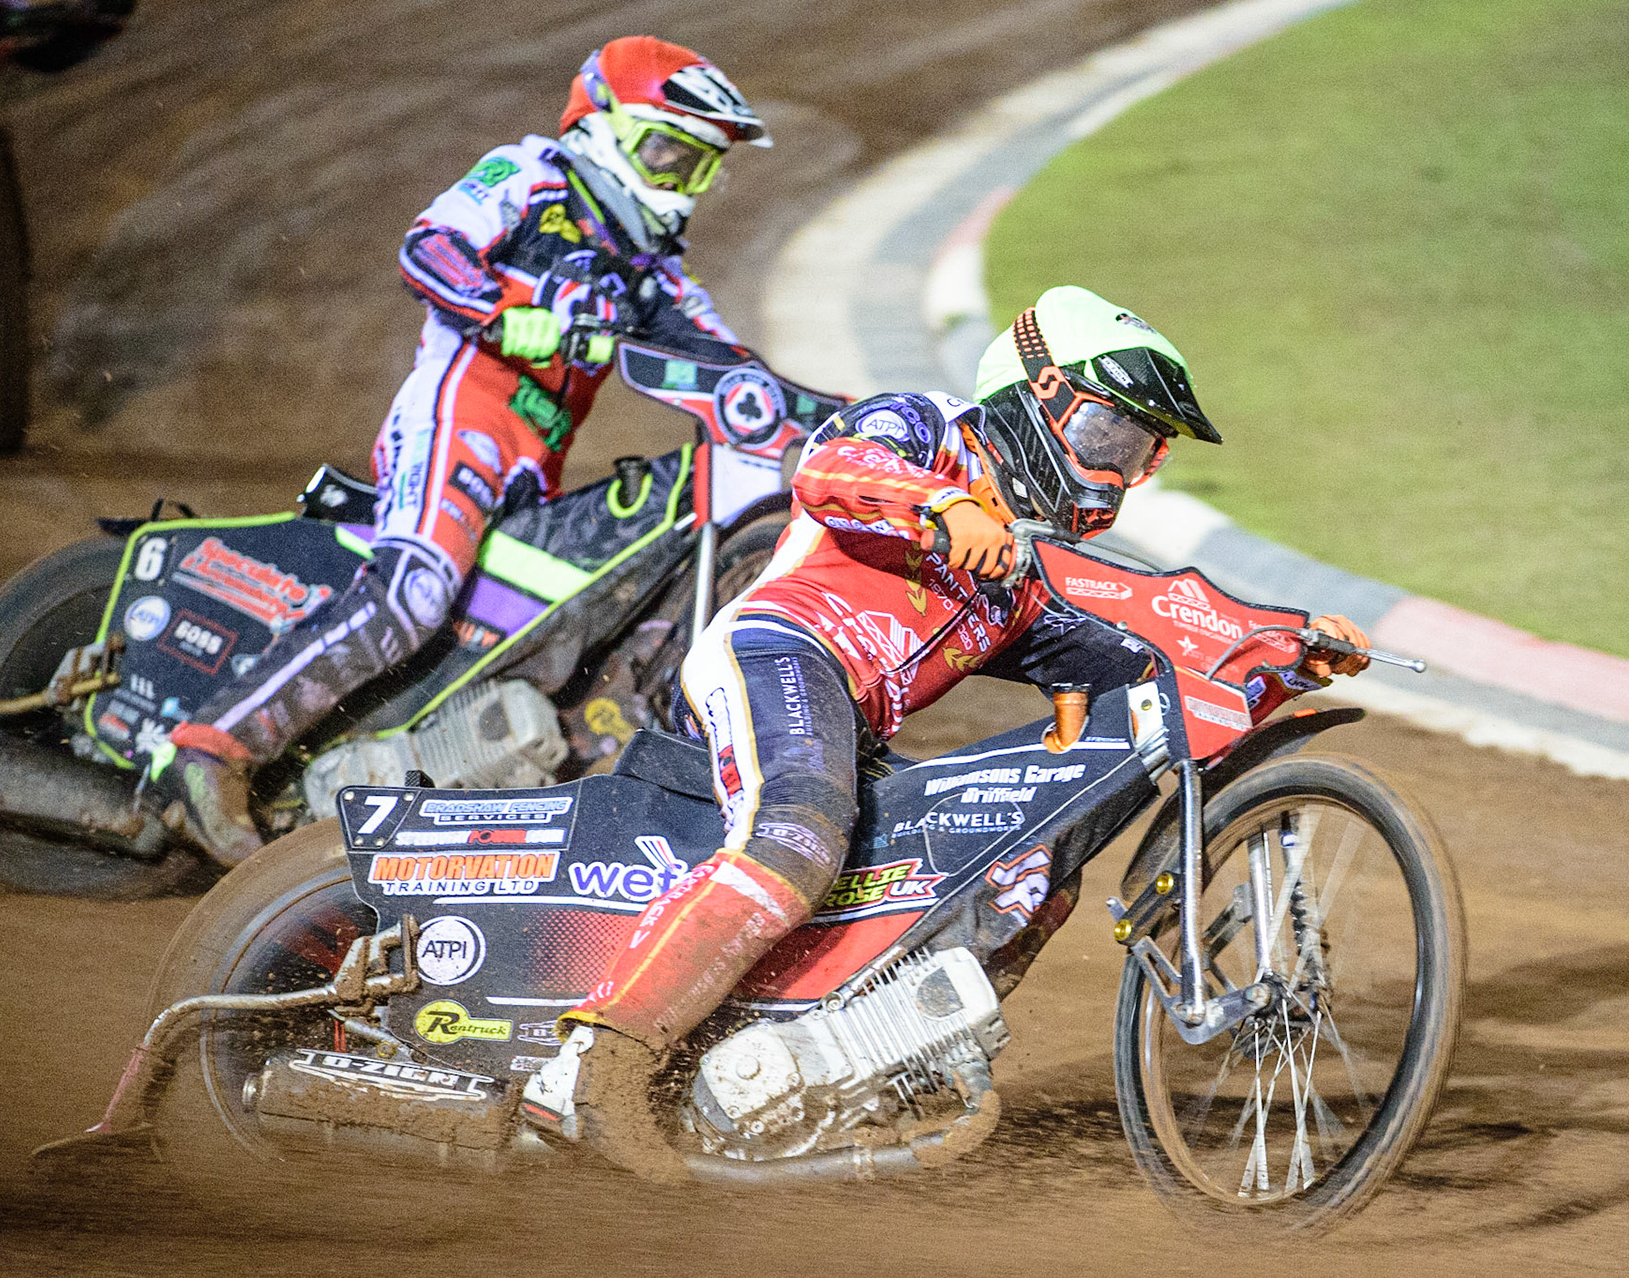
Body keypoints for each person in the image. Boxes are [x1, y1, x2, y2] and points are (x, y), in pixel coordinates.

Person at [520, 284, 1374, 1171]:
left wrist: (1276, 654)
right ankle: (594, 1066)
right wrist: (944, 507)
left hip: (856, 726)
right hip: (780, 651)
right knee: (798, 836)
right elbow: (827, 474)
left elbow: (1139, 666)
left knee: (1027, 865)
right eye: (1107, 439)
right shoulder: (927, 426)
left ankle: (864, 1060)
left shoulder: (1024, 575)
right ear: (1038, 393)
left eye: (1140, 455)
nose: (1116, 474)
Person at [151, 36, 811, 863]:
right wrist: (506, 312)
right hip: (458, 415)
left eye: (699, 167)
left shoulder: (652, 274)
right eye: (668, 153)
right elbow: (428, 248)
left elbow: (730, 367)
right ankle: (211, 749)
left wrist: (842, 418)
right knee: (418, 590)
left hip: (534, 463)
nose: (680, 183)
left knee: (525, 637)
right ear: (602, 126)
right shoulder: (530, 175)